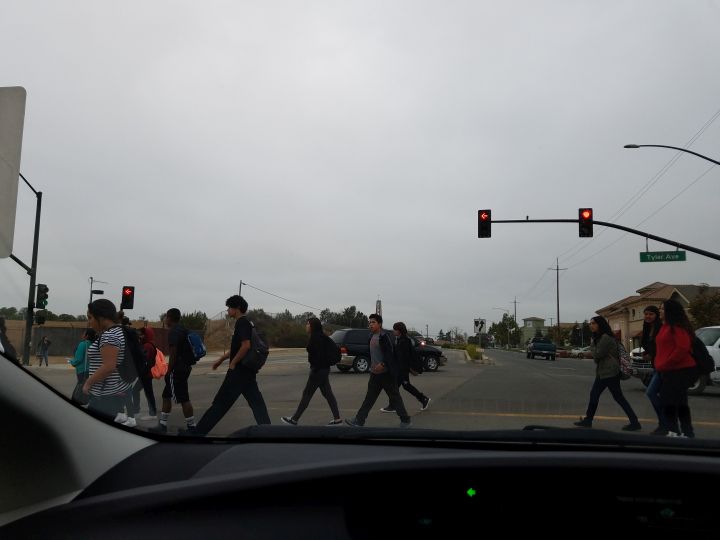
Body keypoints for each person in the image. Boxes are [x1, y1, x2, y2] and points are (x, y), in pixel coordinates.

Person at [190, 295, 271, 436]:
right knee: (256, 403)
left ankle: (197, 434)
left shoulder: (242, 323)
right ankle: (268, 432)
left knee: (220, 404)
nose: (227, 310)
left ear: (237, 308)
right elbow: (237, 348)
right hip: (247, 372)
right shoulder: (247, 322)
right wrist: (221, 359)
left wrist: (233, 363)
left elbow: (246, 346)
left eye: (229, 307)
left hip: (239, 372)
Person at [574, 316, 641, 431]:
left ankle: (588, 420)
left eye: (594, 323)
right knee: (610, 396)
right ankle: (588, 420)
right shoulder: (601, 337)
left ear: (600, 324)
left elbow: (597, 355)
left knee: (606, 396)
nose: (591, 325)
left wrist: (592, 344)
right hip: (605, 372)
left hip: (609, 372)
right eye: (590, 323)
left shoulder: (605, 338)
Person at [345, 314, 411, 428]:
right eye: (370, 322)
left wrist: (383, 364)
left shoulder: (385, 336)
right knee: (369, 399)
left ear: (379, 324)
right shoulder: (371, 336)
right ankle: (359, 420)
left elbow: (391, 353)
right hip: (375, 374)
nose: (370, 324)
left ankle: (406, 420)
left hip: (386, 374)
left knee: (395, 398)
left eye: (373, 322)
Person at [281, 317, 342, 426]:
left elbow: (318, 356)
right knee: (328, 394)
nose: (306, 326)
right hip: (324, 370)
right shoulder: (322, 337)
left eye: (308, 324)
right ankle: (337, 420)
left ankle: (294, 419)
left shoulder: (315, 338)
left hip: (318, 371)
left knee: (307, 394)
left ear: (313, 326)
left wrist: (315, 368)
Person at [81, 299, 132, 420]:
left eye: (90, 318)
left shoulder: (109, 336)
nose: (89, 322)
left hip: (105, 395)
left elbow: (109, 366)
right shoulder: (119, 331)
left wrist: (88, 383)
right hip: (115, 392)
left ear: (101, 317)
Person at [150, 308, 197, 433]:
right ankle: (163, 424)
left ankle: (192, 428)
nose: (165, 319)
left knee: (184, 398)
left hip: (177, 370)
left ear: (169, 318)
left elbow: (173, 353)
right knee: (166, 395)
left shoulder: (173, 332)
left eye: (166, 317)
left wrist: (169, 371)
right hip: (185, 367)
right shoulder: (183, 330)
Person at [655, 299, 696, 438]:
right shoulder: (664, 326)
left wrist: (667, 363)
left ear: (670, 311)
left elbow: (682, 348)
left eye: (662, 309)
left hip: (679, 370)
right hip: (668, 370)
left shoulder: (677, 327)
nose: (659, 311)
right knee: (671, 400)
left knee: (674, 401)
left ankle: (684, 432)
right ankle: (677, 430)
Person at [379, 322, 430, 413]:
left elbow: (405, 357)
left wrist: (407, 369)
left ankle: (393, 406)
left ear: (399, 330)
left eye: (395, 329)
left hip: (402, 370)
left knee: (394, 388)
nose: (393, 331)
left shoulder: (404, 341)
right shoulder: (400, 340)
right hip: (400, 369)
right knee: (405, 386)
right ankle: (423, 399)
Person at [641, 306, 666, 435]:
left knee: (651, 393)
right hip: (656, 365)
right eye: (646, 314)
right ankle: (665, 424)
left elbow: (663, 347)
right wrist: (647, 353)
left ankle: (664, 423)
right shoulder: (647, 328)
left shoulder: (661, 328)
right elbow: (650, 346)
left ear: (656, 315)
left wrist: (652, 354)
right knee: (658, 394)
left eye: (651, 314)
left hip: (663, 366)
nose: (648, 316)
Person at [133, 326, 158, 420]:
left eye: (142, 334)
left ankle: (151, 413)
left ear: (147, 335)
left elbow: (144, 360)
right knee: (145, 392)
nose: (140, 336)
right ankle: (143, 412)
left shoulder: (147, 346)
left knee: (145, 393)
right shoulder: (149, 344)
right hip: (146, 374)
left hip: (145, 374)